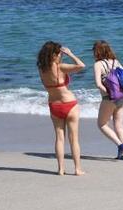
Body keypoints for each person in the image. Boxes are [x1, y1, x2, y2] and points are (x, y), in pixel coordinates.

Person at [37, 42, 86, 175]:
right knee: (74, 138)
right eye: (59, 53)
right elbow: (81, 65)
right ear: (54, 55)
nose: (61, 56)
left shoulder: (42, 69)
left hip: (54, 105)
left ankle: (60, 169)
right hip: (69, 104)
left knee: (59, 138)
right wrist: (70, 54)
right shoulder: (61, 67)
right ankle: (77, 169)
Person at [93, 40, 123, 160]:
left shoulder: (98, 64)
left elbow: (98, 84)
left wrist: (108, 93)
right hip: (121, 97)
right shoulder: (116, 62)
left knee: (102, 124)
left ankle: (120, 145)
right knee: (119, 126)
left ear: (97, 52)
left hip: (109, 98)